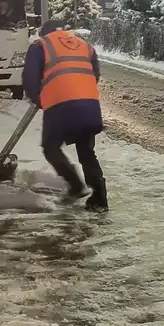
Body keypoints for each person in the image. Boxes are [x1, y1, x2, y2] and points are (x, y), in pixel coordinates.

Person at [21, 20, 108, 213]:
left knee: (51, 148)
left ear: (44, 33)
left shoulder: (40, 46)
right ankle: (100, 200)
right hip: (90, 106)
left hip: (60, 107)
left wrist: (38, 98)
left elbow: (30, 79)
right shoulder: (84, 45)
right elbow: (95, 75)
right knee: (87, 152)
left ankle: (76, 186)